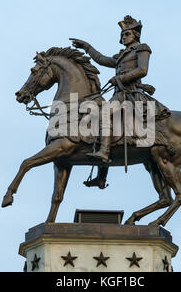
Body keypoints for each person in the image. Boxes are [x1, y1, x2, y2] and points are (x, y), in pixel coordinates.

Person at [70, 15, 170, 189]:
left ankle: (104, 151)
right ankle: (101, 176)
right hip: (118, 95)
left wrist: (120, 78)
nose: (124, 37)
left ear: (135, 35)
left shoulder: (142, 48)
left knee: (105, 113)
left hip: (131, 95)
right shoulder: (121, 55)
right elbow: (101, 59)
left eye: (127, 34)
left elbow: (142, 70)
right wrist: (87, 47)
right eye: (123, 35)